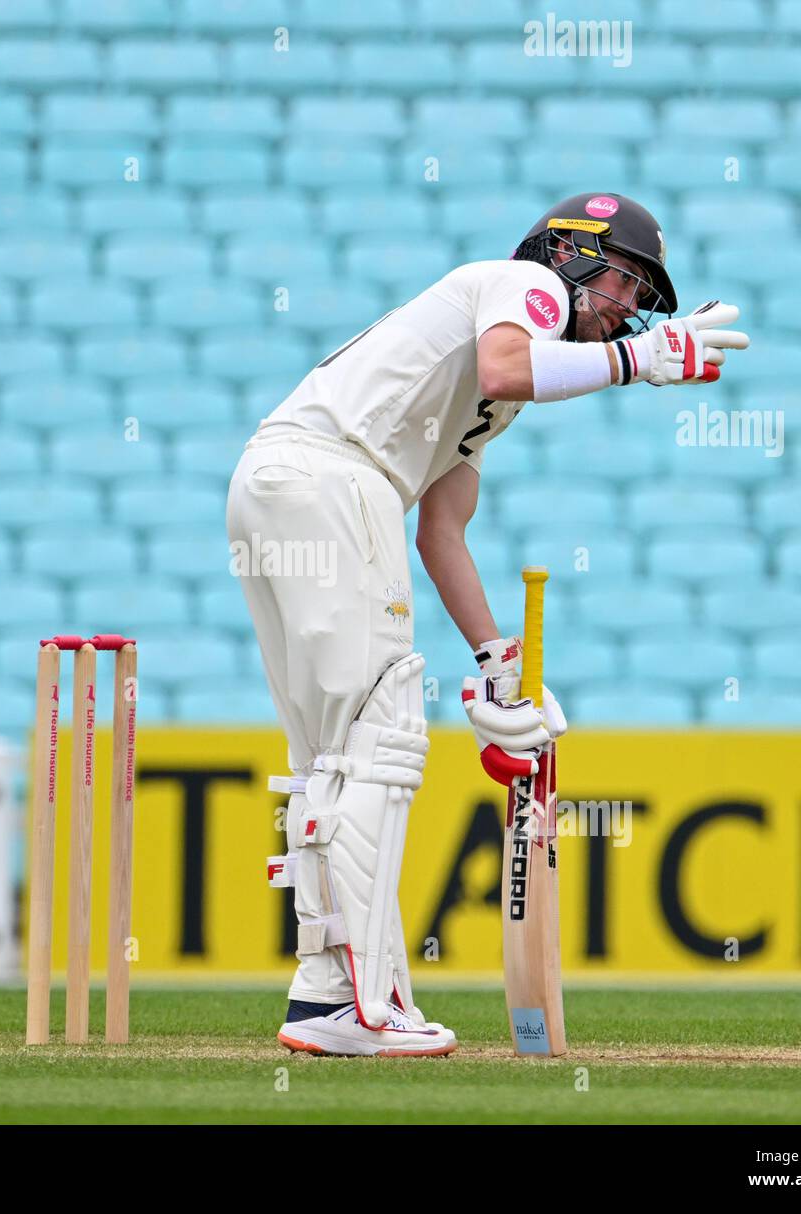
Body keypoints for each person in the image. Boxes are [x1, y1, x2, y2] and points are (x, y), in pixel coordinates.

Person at [227, 193, 749, 1057]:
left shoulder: (490, 384)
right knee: (383, 738)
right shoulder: (524, 287)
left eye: (641, 296)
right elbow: (511, 366)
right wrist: (639, 359)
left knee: (329, 759)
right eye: (621, 279)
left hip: (278, 484)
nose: (627, 307)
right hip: (335, 480)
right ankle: (360, 1005)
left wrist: (498, 660)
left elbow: (442, 529)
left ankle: (326, 992)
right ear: (569, 253)